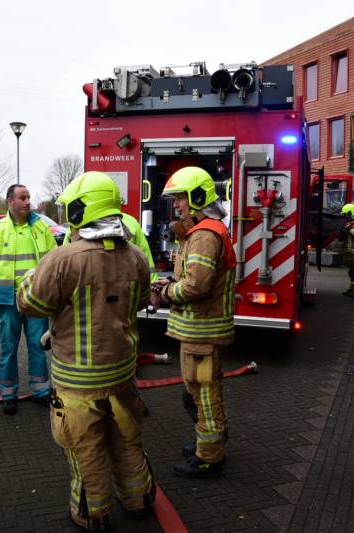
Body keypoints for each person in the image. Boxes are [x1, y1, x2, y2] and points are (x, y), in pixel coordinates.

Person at [17, 171, 155, 532]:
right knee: (126, 439)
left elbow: (30, 304)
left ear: (80, 209)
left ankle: (92, 513)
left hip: (77, 381)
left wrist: (30, 277)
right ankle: (139, 499)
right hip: (122, 374)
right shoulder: (137, 257)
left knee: (86, 449)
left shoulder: (63, 258)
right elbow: (140, 301)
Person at [152, 166, 236, 479]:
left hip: (202, 332)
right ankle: (210, 442)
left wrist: (167, 292)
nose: (176, 205)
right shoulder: (204, 232)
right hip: (200, 332)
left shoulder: (204, 235)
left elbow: (196, 287)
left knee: (202, 395)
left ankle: (208, 457)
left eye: (180, 199)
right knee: (202, 392)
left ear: (198, 197)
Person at [0, 184, 57, 414]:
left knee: (38, 345)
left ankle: (41, 391)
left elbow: (52, 262)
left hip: (35, 299)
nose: (27, 201)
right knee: (8, 347)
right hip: (7, 300)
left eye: (28, 197)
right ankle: (8, 393)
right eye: (22, 198)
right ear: (9, 201)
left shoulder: (41, 228)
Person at [64, 211, 157, 282]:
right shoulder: (131, 222)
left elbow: (64, 260)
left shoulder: (76, 225)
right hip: (124, 288)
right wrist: (152, 286)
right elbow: (145, 257)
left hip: (87, 287)